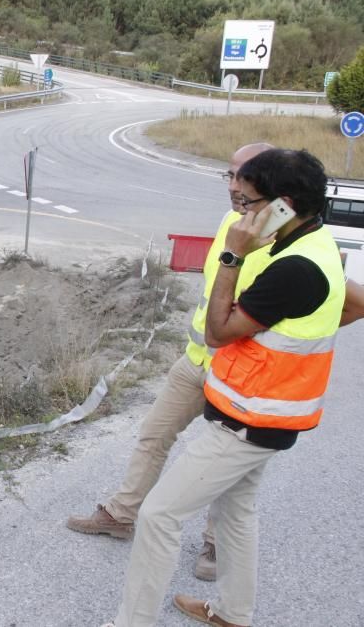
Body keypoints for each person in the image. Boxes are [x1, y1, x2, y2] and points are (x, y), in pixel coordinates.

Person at [109, 148, 346, 627]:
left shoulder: (294, 268)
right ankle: (233, 614)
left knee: (159, 515)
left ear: (281, 205)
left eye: (251, 201)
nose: (242, 209)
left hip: (248, 422)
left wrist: (234, 254)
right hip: (261, 414)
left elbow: (218, 331)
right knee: (237, 514)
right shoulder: (313, 246)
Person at [67, 143, 273, 582]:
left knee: (227, 466)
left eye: (245, 176)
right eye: (230, 175)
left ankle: (217, 545)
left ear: (270, 180)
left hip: (241, 373)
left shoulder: (284, 236)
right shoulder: (228, 222)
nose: (234, 186)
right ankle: (122, 515)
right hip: (197, 360)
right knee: (153, 435)